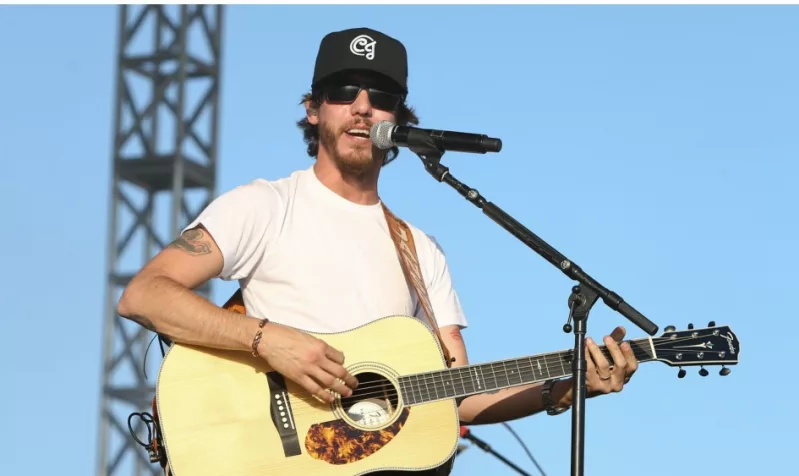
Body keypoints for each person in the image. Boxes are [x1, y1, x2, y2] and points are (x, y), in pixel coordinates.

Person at [117, 27, 639, 475]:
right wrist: (265, 339)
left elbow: (457, 393)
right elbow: (144, 295)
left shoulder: (420, 250)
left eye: (381, 95)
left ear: (399, 118)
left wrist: (567, 390)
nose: (363, 106)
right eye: (344, 90)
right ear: (313, 108)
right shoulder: (264, 206)